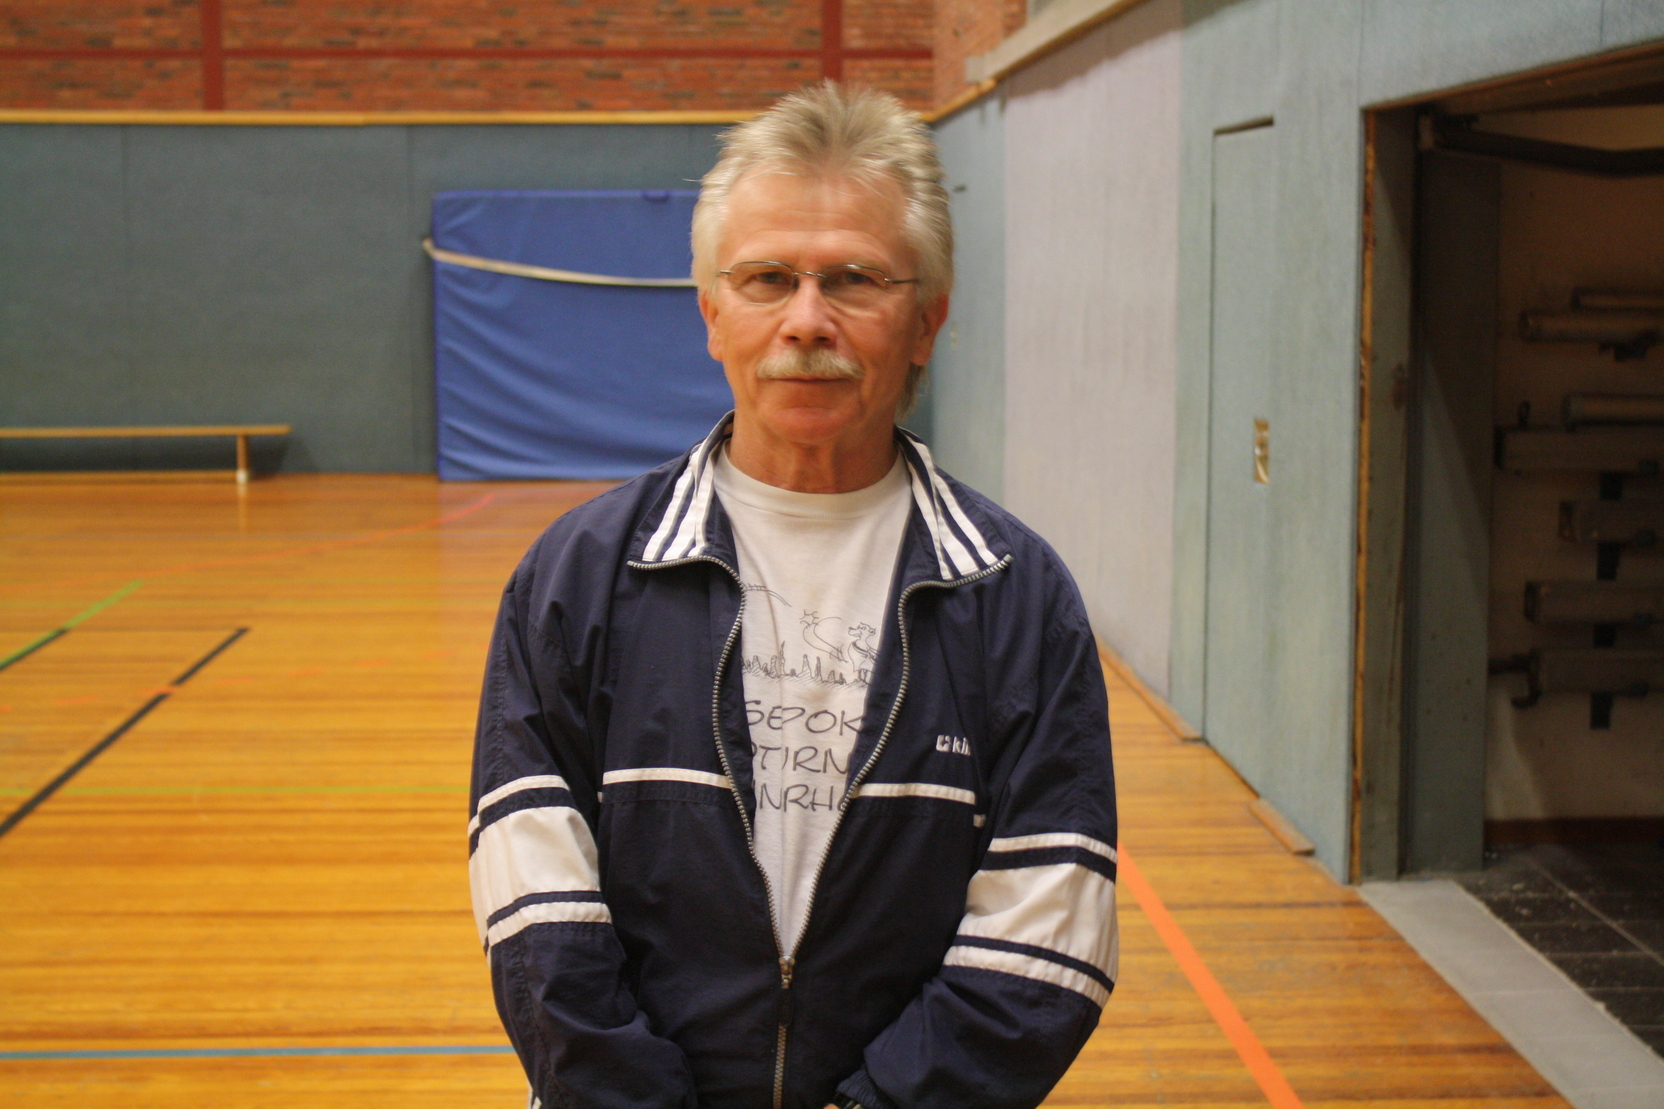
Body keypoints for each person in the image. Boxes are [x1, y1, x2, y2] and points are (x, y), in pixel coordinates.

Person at [468, 82, 1118, 1109]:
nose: (806, 319)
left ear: (926, 319)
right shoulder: (579, 574)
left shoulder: (1014, 595)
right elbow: (533, 888)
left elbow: (1046, 926)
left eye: (853, 279)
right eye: (767, 278)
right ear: (712, 312)